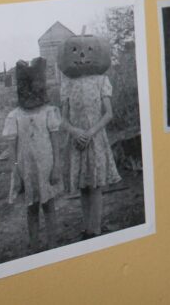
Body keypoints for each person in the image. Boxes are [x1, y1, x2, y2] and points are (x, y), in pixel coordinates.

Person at [60, 39, 121, 241]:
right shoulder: (67, 83)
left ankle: (96, 229)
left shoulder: (101, 81)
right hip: (77, 141)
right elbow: (63, 119)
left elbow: (108, 114)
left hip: (95, 139)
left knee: (95, 186)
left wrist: (91, 132)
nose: (82, 56)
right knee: (84, 186)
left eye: (88, 51)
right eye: (76, 51)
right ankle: (86, 229)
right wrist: (76, 132)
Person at [3, 58, 61, 253]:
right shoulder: (14, 116)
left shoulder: (49, 112)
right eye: (25, 87)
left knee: (49, 206)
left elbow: (54, 141)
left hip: (46, 167)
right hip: (27, 170)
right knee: (31, 208)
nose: (30, 92)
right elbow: (12, 148)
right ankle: (35, 245)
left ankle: (53, 244)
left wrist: (57, 166)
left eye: (34, 86)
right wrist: (16, 171)